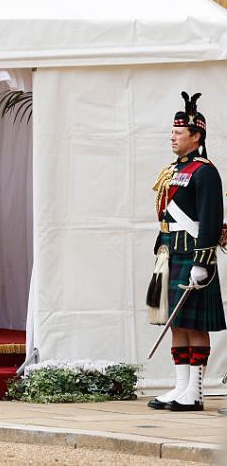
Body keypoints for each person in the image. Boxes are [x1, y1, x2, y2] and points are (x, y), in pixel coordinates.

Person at [147, 92, 225, 412]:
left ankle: (195, 391)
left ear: (196, 136)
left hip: (194, 255)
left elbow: (209, 218)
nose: (172, 136)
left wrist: (202, 261)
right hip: (172, 253)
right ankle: (180, 387)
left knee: (195, 326)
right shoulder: (174, 168)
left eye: (178, 132)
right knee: (177, 323)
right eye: (173, 132)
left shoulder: (205, 172)